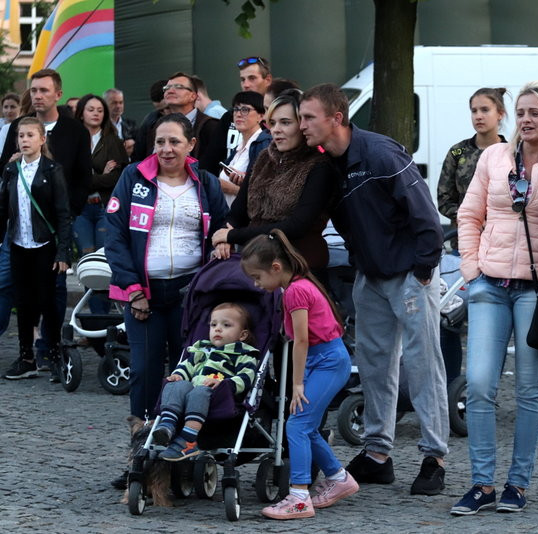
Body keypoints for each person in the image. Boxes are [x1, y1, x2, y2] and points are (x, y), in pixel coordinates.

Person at [299, 83, 448, 495]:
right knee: (375, 366)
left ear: (337, 118)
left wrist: (423, 268)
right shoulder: (327, 165)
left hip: (410, 275)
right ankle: (377, 454)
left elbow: (424, 213)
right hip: (371, 276)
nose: (301, 125)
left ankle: (434, 458)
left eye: (309, 117)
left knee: (423, 366)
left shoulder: (380, 152)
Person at [448, 81, 538, 516]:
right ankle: (482, 484)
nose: (526, 119)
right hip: (490, 285)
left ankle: (517, 483)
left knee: (530, 390)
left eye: (535, 112)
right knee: (479, 383)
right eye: (520, 112)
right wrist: (471, 268)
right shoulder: (494, 157)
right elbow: (468, 213)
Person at [104, 113, 228, 421]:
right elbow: (115, 237)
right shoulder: (132, 177)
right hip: (143, 295)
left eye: (175, 141)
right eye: (160, 142)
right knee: (144, 369)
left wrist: (223, 240)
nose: (166, 149)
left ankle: (179, 440)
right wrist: (133, 291)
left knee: (185, 369)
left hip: (190, 293)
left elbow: (223, 226)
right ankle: (141, 439)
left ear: (191, 145)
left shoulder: (205, 182)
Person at [241, 229, 358, 519]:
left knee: (296, 426)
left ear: (276, 268)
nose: (257, 284)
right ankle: (339, 479)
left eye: (257, 277)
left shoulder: (295, 290)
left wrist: (297, 383)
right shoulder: (295, 285)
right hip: (326, 360)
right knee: (304, 425)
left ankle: (299, 496)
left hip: (328, 362)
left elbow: (302, 340)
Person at [0, 69, 92, 378]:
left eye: (43, 90)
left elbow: (82, 177)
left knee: (52, 295)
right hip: (18, 235)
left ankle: (52, 352)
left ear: (57, 94)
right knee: (19, 296)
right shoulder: (17, 127)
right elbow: (4, 175)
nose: (37, 95)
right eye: (34, 90)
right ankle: (27, 356)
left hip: (52, 232)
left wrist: (68, 222)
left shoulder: (73, 131)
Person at [213, 89, 334, 272]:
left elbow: (296, 226)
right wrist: (224, 239)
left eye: (285, 122)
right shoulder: (263, 158)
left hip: (298, 264)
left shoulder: (319, 165)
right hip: (256, 262)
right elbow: (237, 213)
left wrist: (232, 235)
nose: (276, 129)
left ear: (302, 125)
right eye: (272, 123)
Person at [436, 86, 507, 383]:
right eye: (474, 110)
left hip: (501, 247)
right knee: (449, 318)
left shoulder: (512, 150)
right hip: (462, 247)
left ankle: (486, 381)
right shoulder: (458, 152)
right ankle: (453, 383)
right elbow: (444, 198)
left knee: (492, 318)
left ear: (500, 115)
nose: (478, 116)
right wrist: (468, 219)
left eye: (485, 110)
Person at [0, 117, 71, 379]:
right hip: (18, 244)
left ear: (42, 139)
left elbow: (63, 214)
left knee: (48, 301)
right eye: (21, 136)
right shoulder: (10, 170)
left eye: (30, 135)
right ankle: (26, 357)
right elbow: (2, 209)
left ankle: (52, 355)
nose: (24, 140)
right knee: (23, 302)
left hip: (44, 246)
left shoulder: (53, 170)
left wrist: (64, 251)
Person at [151, 302, 259, 460]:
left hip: (218, 396)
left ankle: (188, 440)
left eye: (226, 325)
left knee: (199, 391)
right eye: (213, 324)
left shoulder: (243, 353)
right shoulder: (201, 349)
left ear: (242, 335)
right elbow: (186, 366)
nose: (218, 329)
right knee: (175, 384)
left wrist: (225, 384)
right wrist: (178, 375)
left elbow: (246, 377)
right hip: (189, 396)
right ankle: (167, 425)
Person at [74, 94, 128, 258]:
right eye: (91, 110)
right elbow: (70, 177)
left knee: (102, 257)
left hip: (105, 206)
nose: (96, 113)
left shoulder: (113, 141)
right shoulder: (72, 140)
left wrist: (88, 178)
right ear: (81, 113)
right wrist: (102, 175)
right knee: (86, 257)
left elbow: (117, 178)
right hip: (79, 208)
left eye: (100, 110)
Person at [200, 56, 273, 174]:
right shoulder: (230, 116)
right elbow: (210, 160)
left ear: (268, 80)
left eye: (252, 78)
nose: (246, 84)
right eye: (243, 79)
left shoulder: (276, 118)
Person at [140, 73, 218, 165]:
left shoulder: (210, 126)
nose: (170, 91)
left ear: (193, 96)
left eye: (178, 87)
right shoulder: (155, 126)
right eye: (166, 88)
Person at [216, 91, 269, 206]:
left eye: (245, 110)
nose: (238, 114)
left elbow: (265, 194)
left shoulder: (264, 144)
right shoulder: (238, 147)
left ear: (261, 116)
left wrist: (232, 189)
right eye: (235, 109)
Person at [131, 79, 168, 163]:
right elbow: (138, 157)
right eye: (161, 110)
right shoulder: (149, 122)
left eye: (169, 107)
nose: (166, 113)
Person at [103, 88, 137, 158]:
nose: (118, 106)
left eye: (121, 102)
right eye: (114, 103)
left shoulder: (131, 124)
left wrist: (133, 143)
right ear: (104, 104)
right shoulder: (99, 126)